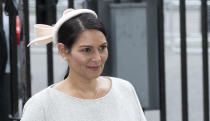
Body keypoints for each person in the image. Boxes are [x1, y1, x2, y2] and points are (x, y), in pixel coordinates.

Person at [21, 8, 147, 121]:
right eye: (87, 50)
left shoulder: (124, 90)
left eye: (102, 48)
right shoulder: (41, 106)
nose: (97, 58)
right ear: (63, 51)